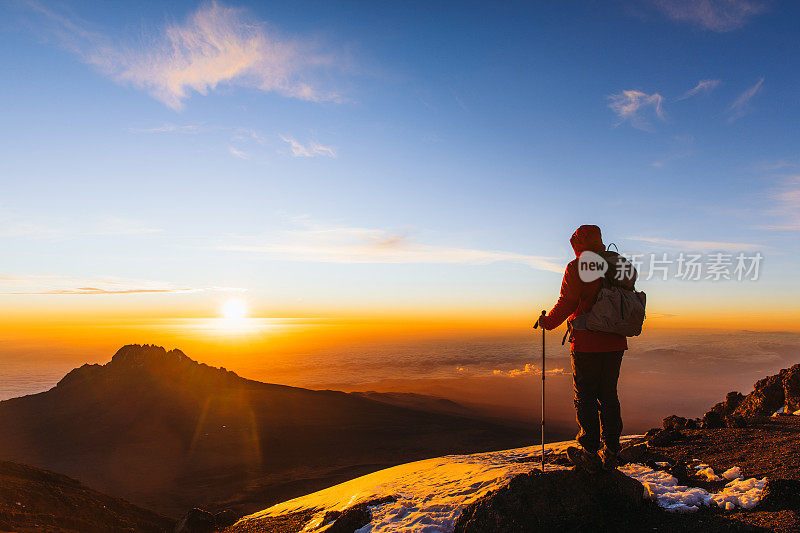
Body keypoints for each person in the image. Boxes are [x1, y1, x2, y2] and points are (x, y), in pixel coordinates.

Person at [535, 225, 627, 473]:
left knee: (585, 395)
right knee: (608, 393)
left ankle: (589, 452)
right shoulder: (618, 264)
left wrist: (548, 322)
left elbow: (568, 301)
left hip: (587, 341)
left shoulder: (577, 267)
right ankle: (612, 449)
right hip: (616, 341)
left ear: (578, 243)